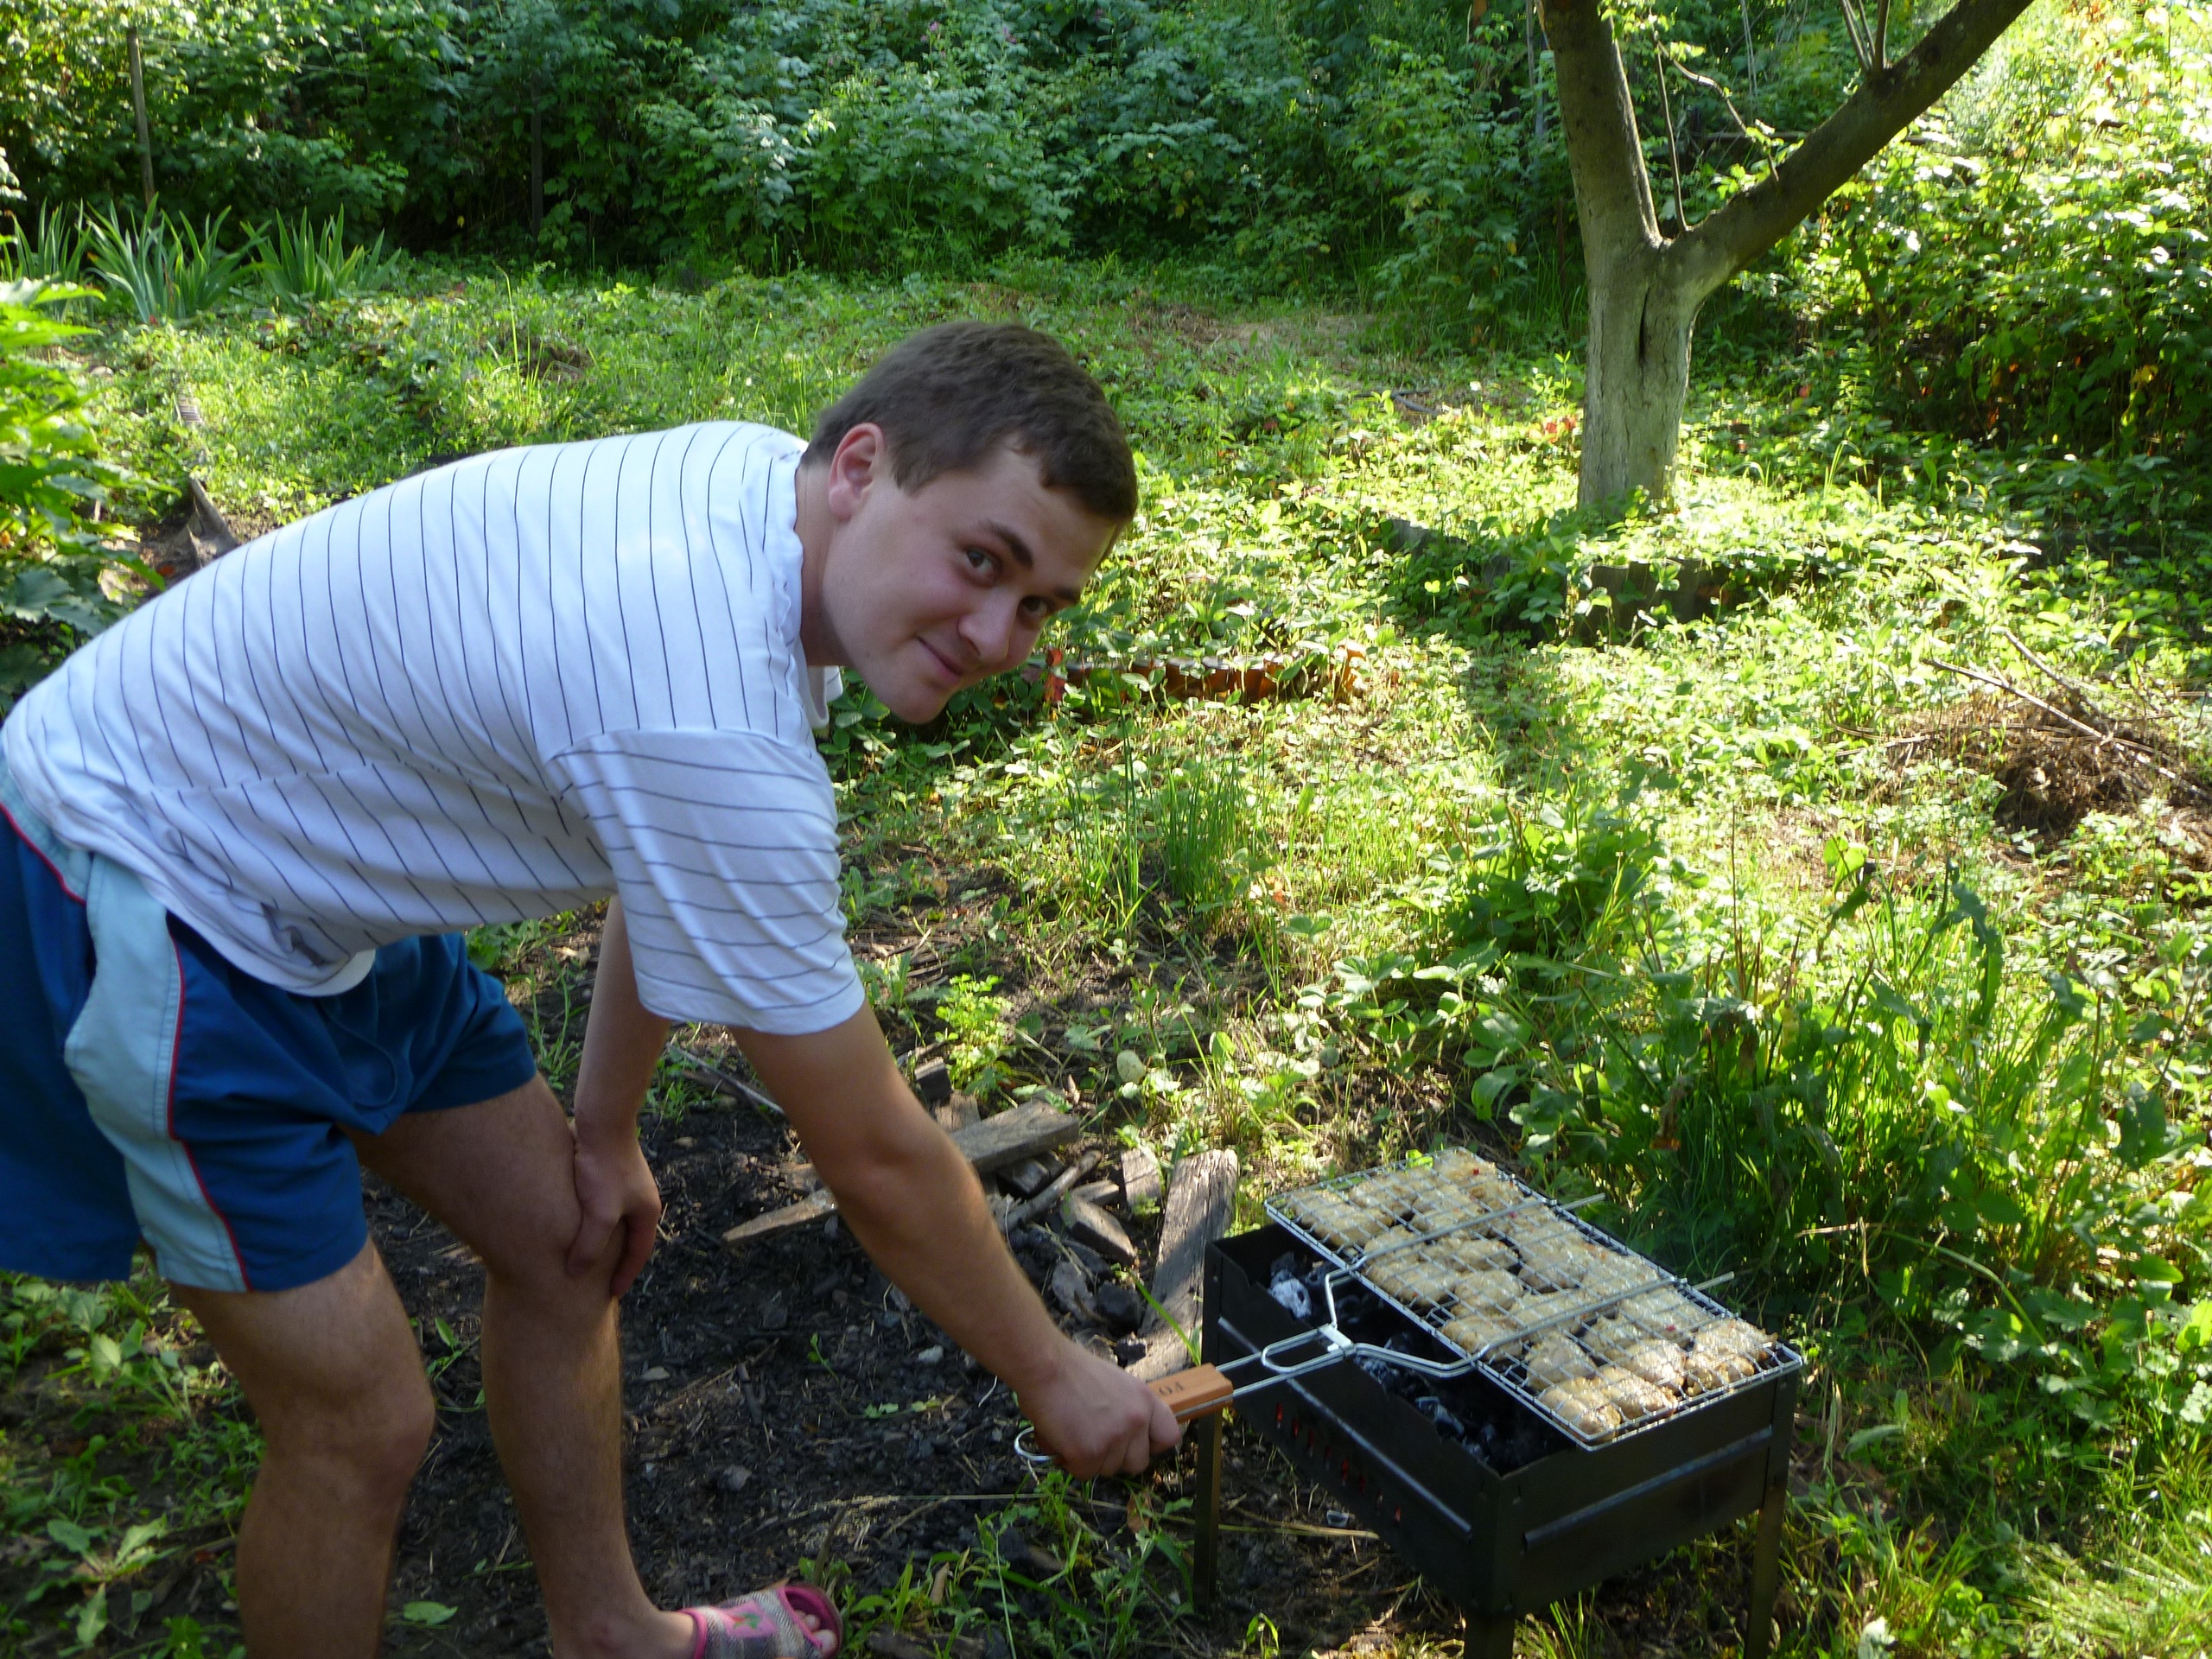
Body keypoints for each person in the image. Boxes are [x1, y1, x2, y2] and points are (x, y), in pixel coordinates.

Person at [0, 321, 1182, 1659]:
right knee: (361, 1426)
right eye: (983, 562)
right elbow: (873, 1155)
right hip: (127, 882)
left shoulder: (769, 507)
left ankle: (611, 1634)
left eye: (1040, 605)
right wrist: (1054, 1374)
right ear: (862, 466)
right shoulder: (705, 699)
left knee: (571, 1237)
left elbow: (660, 853)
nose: (997, 635)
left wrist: (606, 1130)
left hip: (309, 865)